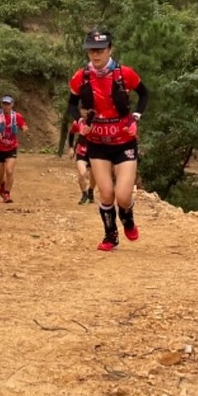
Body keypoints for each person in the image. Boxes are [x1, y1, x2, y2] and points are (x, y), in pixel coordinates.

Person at [67, 29, 149, 251]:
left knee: (122, 196)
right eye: (91, 51)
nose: (95, 55)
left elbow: (144, 94)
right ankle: (110, 236)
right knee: (106, 194)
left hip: (124, 142)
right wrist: (80, 122)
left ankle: (127, 217)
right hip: (97, 143)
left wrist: (136, 117)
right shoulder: (81, 76)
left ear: (110, 50)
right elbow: (72, 104)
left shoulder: (125, 74)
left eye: (100, 50)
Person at [0, 95, 27, 203]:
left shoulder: (16, 116)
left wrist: (24, 128)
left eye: (8, 104)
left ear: (12, 105)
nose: (6, 106)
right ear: (1, 104)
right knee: (0, 174)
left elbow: (23, 125)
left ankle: (7, 194)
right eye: (4, 104)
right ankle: (2, 184)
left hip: (11, 147)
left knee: (9, 170)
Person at [67, 116, 95, 204]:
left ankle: (91, 190)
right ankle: (84, 194)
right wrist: (71, 148)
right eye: (83, 110)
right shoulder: (78, 122)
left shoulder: (98, 123)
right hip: (81, 152)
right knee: (82, 173)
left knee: (94, 176)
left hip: (94, 153)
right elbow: (71, 132)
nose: (86, 112)